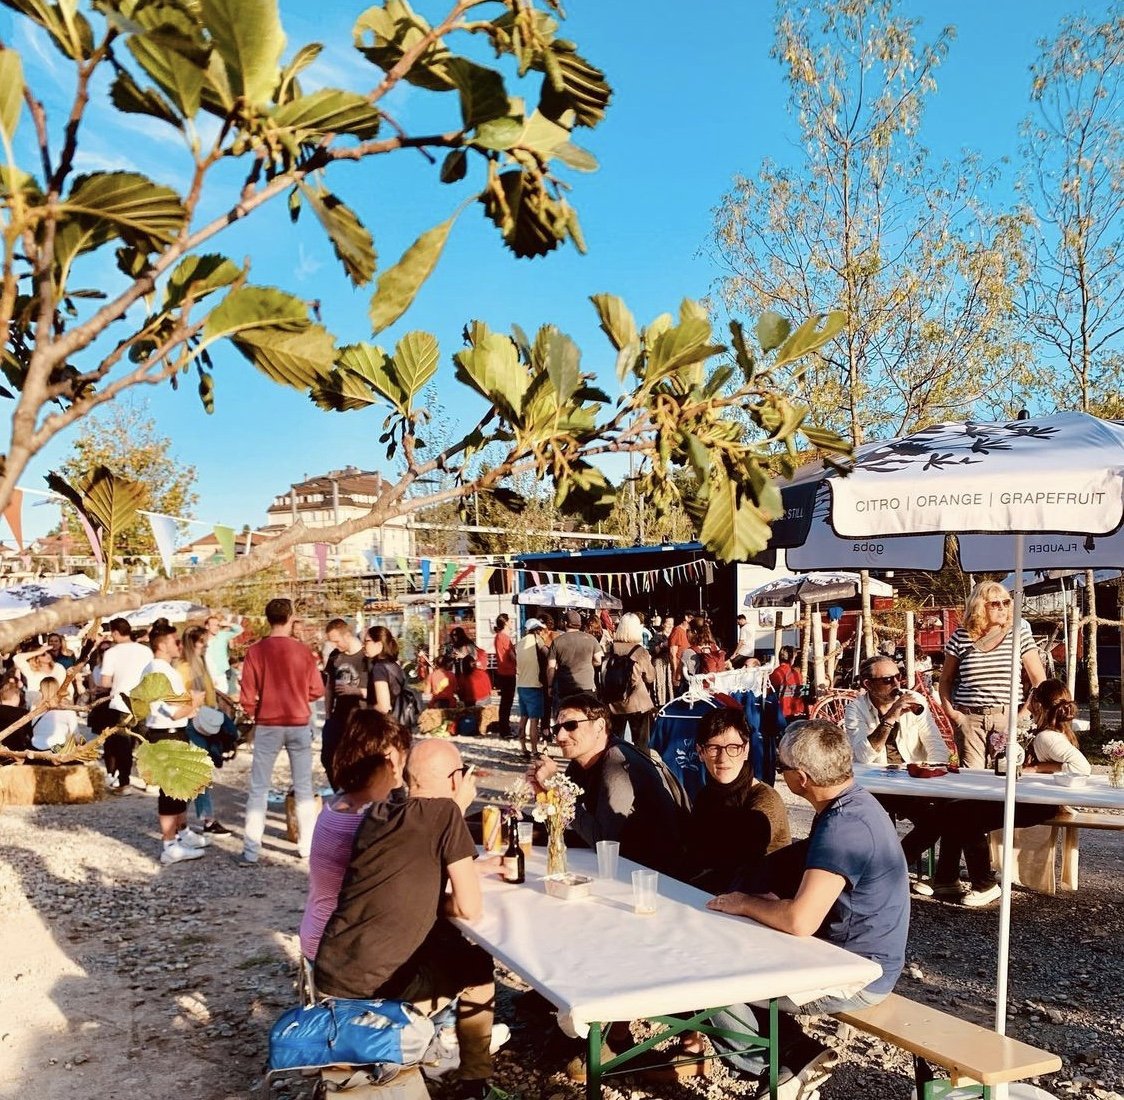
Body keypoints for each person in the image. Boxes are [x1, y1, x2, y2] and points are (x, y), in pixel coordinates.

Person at [702, 719, 909, 1094]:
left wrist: (746, 902)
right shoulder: (853, 803)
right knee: (728, 953)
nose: (780, 776)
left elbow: (800, 921)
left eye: (782, 769)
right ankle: (793, 1052)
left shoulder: (843, 826)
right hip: (857, 957)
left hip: (855, 975)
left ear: (800, 778)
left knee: (706, 979)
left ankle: (783, 1065)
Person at [314, 739, 497, 1100]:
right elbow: (470, 906)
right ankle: (475, 1084)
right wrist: (455, 811)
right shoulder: (445, 814)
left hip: (331, 972)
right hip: (376, 992)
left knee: (446, 945)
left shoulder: (377, 812)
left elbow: (409, 868)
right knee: (477, 964)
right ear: (455, 780)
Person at [929, 679, 1089, 907]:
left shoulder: (1047, 737)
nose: (1028, 700)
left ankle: (984, 884)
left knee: (966, 815)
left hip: (1037, 804)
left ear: (1038, 703)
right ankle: (946, 877)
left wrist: (1038, 768)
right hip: (1031, 798)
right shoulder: (1049, 731)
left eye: (1032, 696)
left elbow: (1082, 768)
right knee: (956, 808)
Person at [529, 692, 688, 878]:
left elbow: (603, 842)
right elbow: (568, 823)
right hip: (621, 862)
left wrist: (557, 789)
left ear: (599, 726)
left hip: (654, 876)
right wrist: (543, 795)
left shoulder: (617, 764)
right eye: (557, 729)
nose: (561, 736)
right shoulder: (579, 762)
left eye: (571, 726)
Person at [298, 709, 410, 962]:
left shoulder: (339, 804)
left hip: (319, 934)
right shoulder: (365, 824)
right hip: (340, 952)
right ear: (388, 758)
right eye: (401, 757)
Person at [843, 655, 949, 889]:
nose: (896, 684)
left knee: (942, 817)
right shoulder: (855, 710)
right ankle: (886, 872)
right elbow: (864, 755)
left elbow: (936, 744)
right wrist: (890, 718)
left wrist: (931, 772)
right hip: (875, 783)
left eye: (898, 677)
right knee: (871, 824)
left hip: (911, 781)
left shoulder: (915, 700)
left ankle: (895, 869)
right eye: (887, 680)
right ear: (867, 684)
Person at [239, 598, 324, 866]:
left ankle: (251, 850)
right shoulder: (303, 652)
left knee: (259, 788)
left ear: (268, 618)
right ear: (290, 618)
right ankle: (307, 848)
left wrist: (254, 711)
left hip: (267, 723)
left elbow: (247, 695)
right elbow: (317, 690)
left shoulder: (256, 651)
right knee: (303, 788)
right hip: (298, 721)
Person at [939, 581, 1046, 770]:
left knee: (1005, 773)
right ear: (979, 606)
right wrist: (953, 714)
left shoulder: (1018, 635)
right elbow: (946, 679)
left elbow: (1039, 681)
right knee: (972, 777)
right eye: (995, 604)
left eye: (1006, 602)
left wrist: (1022, 715)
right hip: (969, 718)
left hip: (1007, 717)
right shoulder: (961, 637)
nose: (1003, 608)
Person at [686, 707, 790, 893]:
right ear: (700, 752)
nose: (723, 758)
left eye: (733, 748)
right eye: (713, 748)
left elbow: (740, 869)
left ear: (746, 750)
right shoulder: (706, 796)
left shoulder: (764, 802)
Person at [143, 620, 208, 865]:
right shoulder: (159, 671)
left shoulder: (160, 668)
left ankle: (181, 833)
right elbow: (173, 711)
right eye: (174, 640)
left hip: (171, 731)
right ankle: (169, 844)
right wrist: (195, 703)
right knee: (170, 791)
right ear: (162, 644)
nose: (178, 645)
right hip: (166, 731)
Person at [177, 624, 231, 836]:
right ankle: (204, 820)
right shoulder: (184, 667)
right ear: (193, 643)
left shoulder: (199, 663)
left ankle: (185, 819)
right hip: (194, 723)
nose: (205, 646)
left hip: (204, 721)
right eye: (202, 643)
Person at [94, 617, 152, 790]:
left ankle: (125, 782)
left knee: (123, 746)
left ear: (115, 633)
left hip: (120, 703)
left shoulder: (112, 652)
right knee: (145, 743)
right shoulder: (145, 651)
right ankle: (150, 781)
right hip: (143, 701)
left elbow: (104, 682)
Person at [321, 618, 368, 785]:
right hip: (338, 715)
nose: (335, 645)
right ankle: (341, 791)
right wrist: (327, 713)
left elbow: (379, 692)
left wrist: (354, 691)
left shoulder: (365, 656)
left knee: (357, 760)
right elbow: (329, 686)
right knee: (328, 757)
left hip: (361, 716)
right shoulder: (335, 656)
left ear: (347, 635)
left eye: (336, 641)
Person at [603, 612, 656, 754]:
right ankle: (642, 772)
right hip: (637, 702)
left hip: (614, 702)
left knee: (614, 741)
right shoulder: (640, 652)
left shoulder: (610, 649)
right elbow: (650, 677)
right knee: (642, 743)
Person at [545, 610, 600, 714]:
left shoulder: (557, 641)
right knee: (587, 716)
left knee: (568, 716)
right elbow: (598, 660)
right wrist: (589, 663)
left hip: (565, 687)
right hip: (587, 686)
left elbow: (551, 667)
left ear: (565, 623)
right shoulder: (591, 639)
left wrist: (550, 686)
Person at [515, 618, 547, 758]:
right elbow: (547, 654)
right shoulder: (537, 640)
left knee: (523, 717)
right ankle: (534, 750)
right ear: (537, 630)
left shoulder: (520, 642)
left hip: (521, 685)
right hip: (534, 685)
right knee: (534, 720)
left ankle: (523, 748)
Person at [29, 677, 80, 751]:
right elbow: (75, 734)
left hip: (35, 747)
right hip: (57, 749)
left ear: (41, 690)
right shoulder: (67, 708)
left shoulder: (34, 707)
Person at [365, 624, 405, 715]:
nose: (364, 645)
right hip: (396, 721)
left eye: (367, 641)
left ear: (379, 644)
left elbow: (383, 707)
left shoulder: (379, 668)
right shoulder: (394, 665)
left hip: (382, 724)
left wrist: (366, 709)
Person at [448, 626, 491, 707]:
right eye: (453, 635)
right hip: (459, 672)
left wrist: (462, 656)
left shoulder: (467, 644)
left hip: (468, 672)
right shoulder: (455, 645)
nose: (454, 637)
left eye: (455, 635)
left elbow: (473, 659)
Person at [491, 615, 516, 738]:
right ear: (505, 623)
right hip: (508, 671)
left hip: (502, 671)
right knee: (507, 702)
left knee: (505, 702)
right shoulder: (504, 637)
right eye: (510, 621)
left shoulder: (498, 637)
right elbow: (511, 655)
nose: (512, 623)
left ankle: (504, 727)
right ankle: (504, 729)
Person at [204, 612, 243, 689]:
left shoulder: (222, 635)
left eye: (218, 625)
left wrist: (228, 624)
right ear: (207, 626)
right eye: (214, 625)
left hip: (223, 673)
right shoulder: (202, 639)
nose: (217, 627)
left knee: (224, 696)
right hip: (208, 674)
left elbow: (240, 630)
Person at [769, 645, 806, 719]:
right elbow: (802, 692)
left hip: (780, 712)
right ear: (791, 659)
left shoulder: (775, 673)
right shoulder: (796, 674)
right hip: (796, 710)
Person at [648, 615, 674, 707]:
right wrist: (662, 645)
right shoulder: (657, 636)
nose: (671, 626)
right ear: (663, 624)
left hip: (671, 665)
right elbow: (652, 650)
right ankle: (660, 705)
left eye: (672, 624)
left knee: (670, 686)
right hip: (660, 666)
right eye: (668, 623)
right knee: (661, 686)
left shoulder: (674, 636)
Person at [668, 613, 691, 692]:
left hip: (689, 672)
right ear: (686, 617)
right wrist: (675, 673)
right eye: (692, 617)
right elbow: (672, 654)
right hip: (680, 673)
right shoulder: (678, 631)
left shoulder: (689, 632)